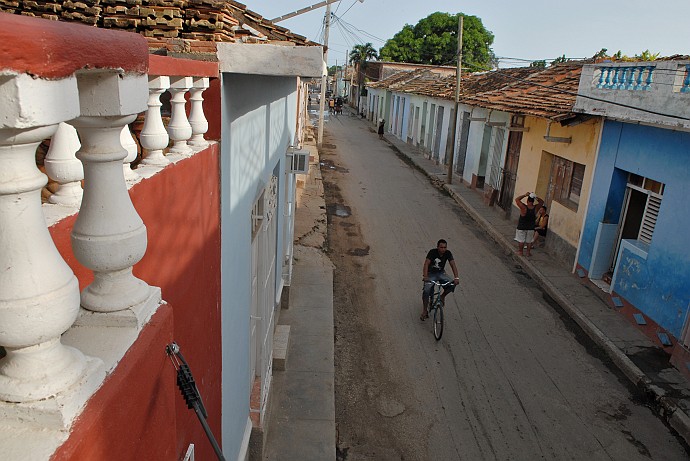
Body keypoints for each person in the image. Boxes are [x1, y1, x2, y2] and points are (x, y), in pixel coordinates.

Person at [421, 239, 459, 321]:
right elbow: (426, 263)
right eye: (441, 247)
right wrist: (425, 276)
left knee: (452, 284)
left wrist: (456, 277)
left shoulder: (448, 253)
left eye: (445, 247)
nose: (443, 249)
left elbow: (453, 264)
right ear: (437, 247)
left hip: (441, 273)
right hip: (431, 274)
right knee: (426, 291)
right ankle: (424, 311)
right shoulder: (432, 252)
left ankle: (442, 296)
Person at [514, 192, 543, 256]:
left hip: (522, 226)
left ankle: (520, 252)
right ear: (533, 201)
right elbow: (541, 202)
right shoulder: (536, 208)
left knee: (521, 240)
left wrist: (525, 195)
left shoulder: (523, 207)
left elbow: (517, 199)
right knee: (529, 241)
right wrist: (535, 197)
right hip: (530, 227)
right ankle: (528, 253)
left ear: (527, 201)